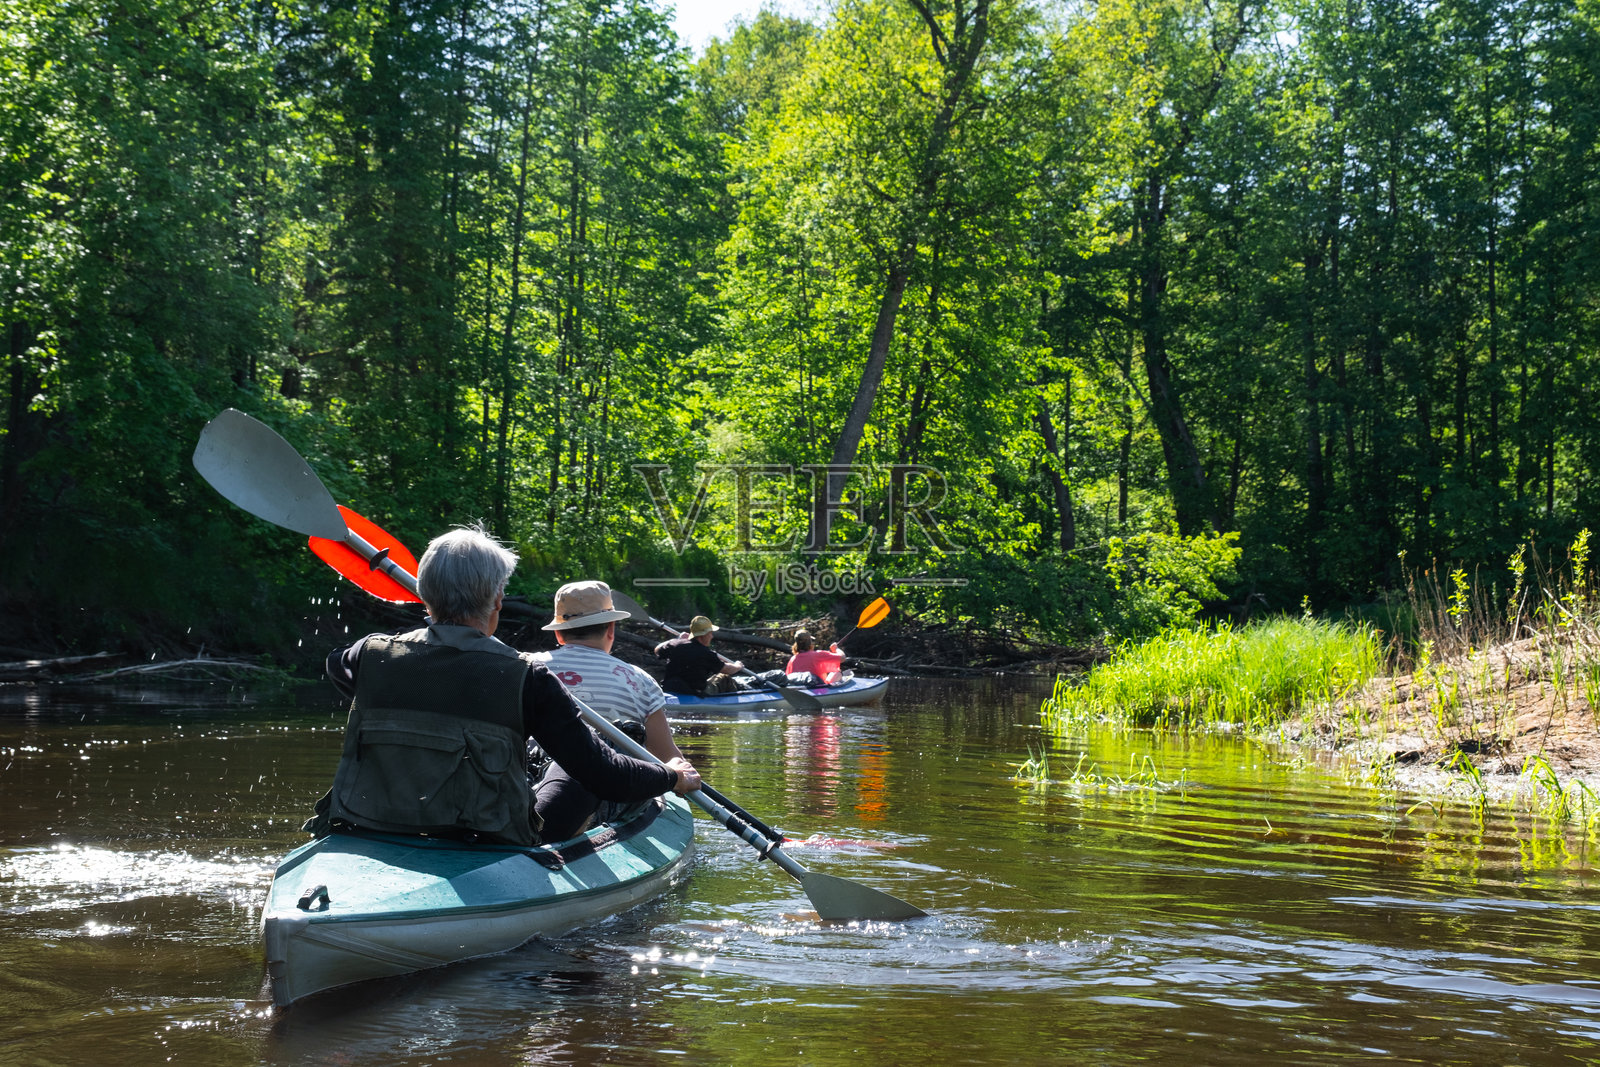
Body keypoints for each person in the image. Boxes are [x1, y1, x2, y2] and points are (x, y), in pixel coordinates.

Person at [307, 524, 701, 846]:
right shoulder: (527, 678)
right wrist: (671, 776)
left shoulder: (366, 655)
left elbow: (337, 666)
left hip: (371, 820)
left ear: (425, 595)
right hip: (487, 834)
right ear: (497, 600)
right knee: (576, 761)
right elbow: (603, 774)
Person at [530, 580, 688, 835]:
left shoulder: (527, 667)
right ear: (611, 629)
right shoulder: (640, 680)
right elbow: (667, 756)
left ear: (559, 633)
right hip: (611, 796)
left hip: (531, 789)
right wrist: (680, 776)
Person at [654, 615, 743, 695]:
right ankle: (733, 704)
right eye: (710, 633)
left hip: (670, 689)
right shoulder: (707, 653)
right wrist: (738, 666)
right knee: (724, 677)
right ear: (702, 635)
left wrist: (677, 639)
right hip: (694, 693)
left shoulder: (674, 644)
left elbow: (657, 649)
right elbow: (727, 669)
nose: (712, 637)